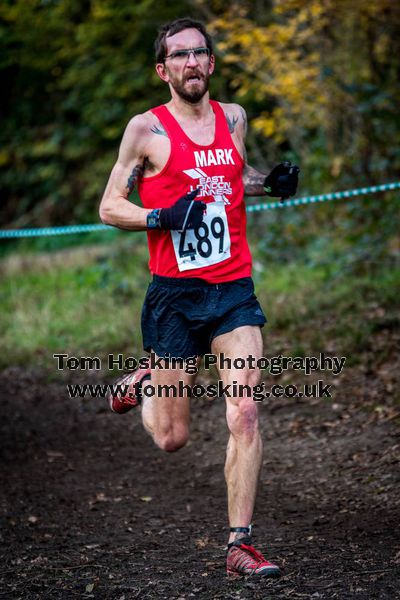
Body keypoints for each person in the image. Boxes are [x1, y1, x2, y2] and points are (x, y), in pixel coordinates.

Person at [99, 17, 299, 578]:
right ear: (163, 70)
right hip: (174, 297)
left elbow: (233, 178)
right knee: (171, 438)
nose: (191, 62)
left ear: (210, 63)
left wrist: (269, 183)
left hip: (233, 289)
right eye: (179, 55)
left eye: (199, 53)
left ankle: (240, 544)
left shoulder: (233, 117)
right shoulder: (146, 130)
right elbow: (110, 206)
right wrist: (161, 215)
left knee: (245, 410)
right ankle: (142, 386)